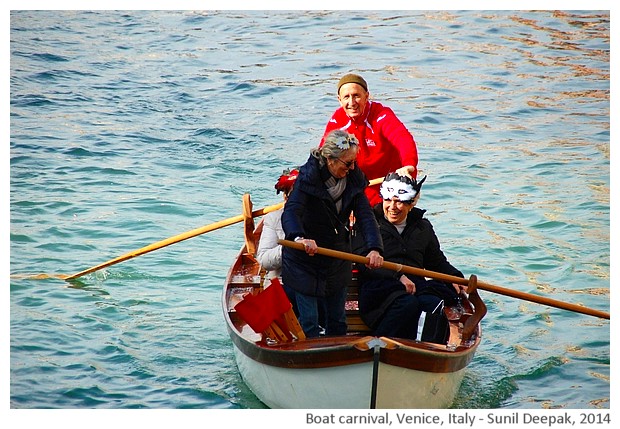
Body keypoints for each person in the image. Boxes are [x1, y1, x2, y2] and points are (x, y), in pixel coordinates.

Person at [281, 129, 384, 338]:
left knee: (337, 321)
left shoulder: (354, 178)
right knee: (309, 322)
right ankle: (311, 362)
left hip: (337, 256)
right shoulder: (307, 178)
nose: (352, 167)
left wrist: (374, 248)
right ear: (329, 159)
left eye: (354, 162)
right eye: (347, 163)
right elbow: (291, 212)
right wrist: (299, 238)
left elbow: (365, 217)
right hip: (305, 259)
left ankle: (338, 361)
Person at [355, 171, 467, 341]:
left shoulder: (423, 228)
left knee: (433, 304)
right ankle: (377, 344)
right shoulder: (368, 224)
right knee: (407, 304)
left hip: (417, 288)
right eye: (388, 200)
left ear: (411, 204)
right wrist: (398, 276)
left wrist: (454, 277)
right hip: (379, 290)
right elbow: (362, 261)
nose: (392, 207)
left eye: (399, 202)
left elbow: (436, 261)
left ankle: (426, 353)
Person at [320, 73, 418, 206]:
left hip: (392, 185)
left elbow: (402, 138)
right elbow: (323, 154)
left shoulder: (381, 114)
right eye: (346, 97)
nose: (352, 103)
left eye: (356, 96)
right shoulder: (338, 120)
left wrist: (409, 164)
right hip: (359, 185)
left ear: (367, 96)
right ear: (339, 100)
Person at [256, 168, 299, 281]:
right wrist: (290, 248)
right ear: (285, 197)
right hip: (281, 283)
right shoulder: (273, 218)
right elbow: (264, 259)